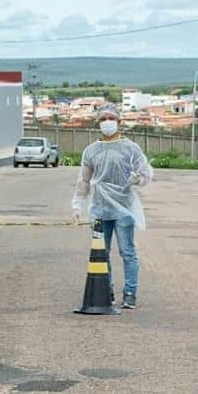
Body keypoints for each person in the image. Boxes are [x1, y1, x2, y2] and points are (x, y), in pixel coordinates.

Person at [71, 103, 153, 309]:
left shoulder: (130, 148)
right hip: (99, 207)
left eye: (111, 118)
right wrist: (78, 204)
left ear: (119, 121)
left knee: (127, 251)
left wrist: (137, 179)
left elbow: (145, 172)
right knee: (101, 252)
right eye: (103, 119)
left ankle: (130, 293)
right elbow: (84, 180)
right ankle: (106, 290)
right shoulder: (91, 151)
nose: (107, 122)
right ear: (98, 122)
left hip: (123, 207)